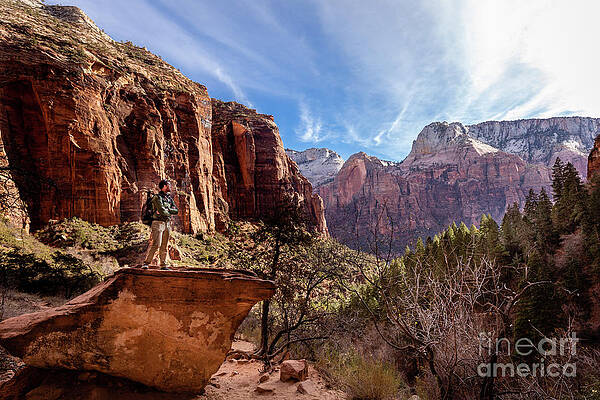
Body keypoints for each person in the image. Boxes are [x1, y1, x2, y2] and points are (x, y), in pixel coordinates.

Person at [142, 179, 178, 269]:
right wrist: (168, 210)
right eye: (169, 185)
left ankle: (163, 265)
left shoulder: (169, 198)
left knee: (164, 245)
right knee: (156, 244)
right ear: (164, 186)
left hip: (167, 224)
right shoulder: (157, 198)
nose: (170, 187)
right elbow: (162, 211)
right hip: (157, 223)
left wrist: (167, 210)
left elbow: (176, 211)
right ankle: (146, 263)